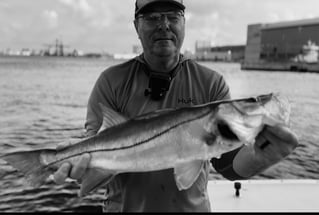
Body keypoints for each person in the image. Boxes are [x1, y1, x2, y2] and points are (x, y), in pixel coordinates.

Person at [53, 0, 299, 212]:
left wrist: (260, 157)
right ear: (136, 26)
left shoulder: (211, 83)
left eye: (173, 16)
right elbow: (94, 143)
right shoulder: (112, 80)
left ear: (184, 22)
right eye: (151, 17)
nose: (164, 25)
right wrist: (77, 162)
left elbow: (226, 164)